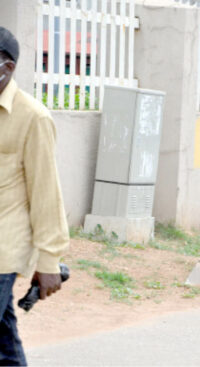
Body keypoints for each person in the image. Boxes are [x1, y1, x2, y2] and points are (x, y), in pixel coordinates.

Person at [0, 27, 70, 364]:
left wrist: (49, 261)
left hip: (3, 251)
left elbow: (46, 193)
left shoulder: (33, 118)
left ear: (8, 67)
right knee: (4, 343)